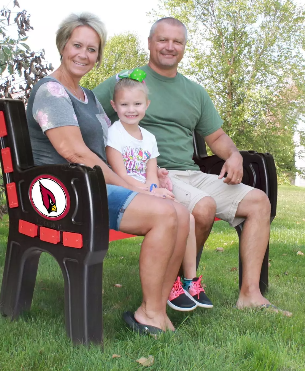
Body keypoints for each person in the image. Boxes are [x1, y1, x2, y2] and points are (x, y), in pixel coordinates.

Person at [94, 17, 292, 316]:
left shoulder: (194, 92)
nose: (169, 47)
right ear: (150, 43)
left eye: (177, 41)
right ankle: (179, 283)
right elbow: (86, 110)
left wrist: (234, 156)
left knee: (258, 202)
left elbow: (217, 136)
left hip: (192, 172)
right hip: (154, 175)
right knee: (202, 207)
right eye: (163, 40)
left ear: (184, 48)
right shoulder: (127, 83)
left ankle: (250, 295)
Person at [26, 12, 193, 335]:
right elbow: (75, 152)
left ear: (98, 56)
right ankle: (152, 313)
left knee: (181, 213)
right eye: (77, 45)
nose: (83, 54)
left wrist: (151, 177)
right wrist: (137, 188)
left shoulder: (87, 97)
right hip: (68, 193)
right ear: (62, 46)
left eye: (92, 49)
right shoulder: (51, 91)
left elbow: (114, 148)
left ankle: (154, 309)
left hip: (94, 186)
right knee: (163, 214)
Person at [106, 71, 213, 311]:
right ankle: (170, 283)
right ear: (114, 105)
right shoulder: (114, 133)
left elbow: (151, 173)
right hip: (126, 191)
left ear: (147, 105)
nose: (131, 109)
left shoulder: (149, 138)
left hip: (147, 191)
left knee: (188, 216)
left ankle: (190, 280)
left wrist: (156, 188)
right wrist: (150, 192)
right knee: (172, 215)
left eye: (137, 104)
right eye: (124, 104)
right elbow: (120, 174)